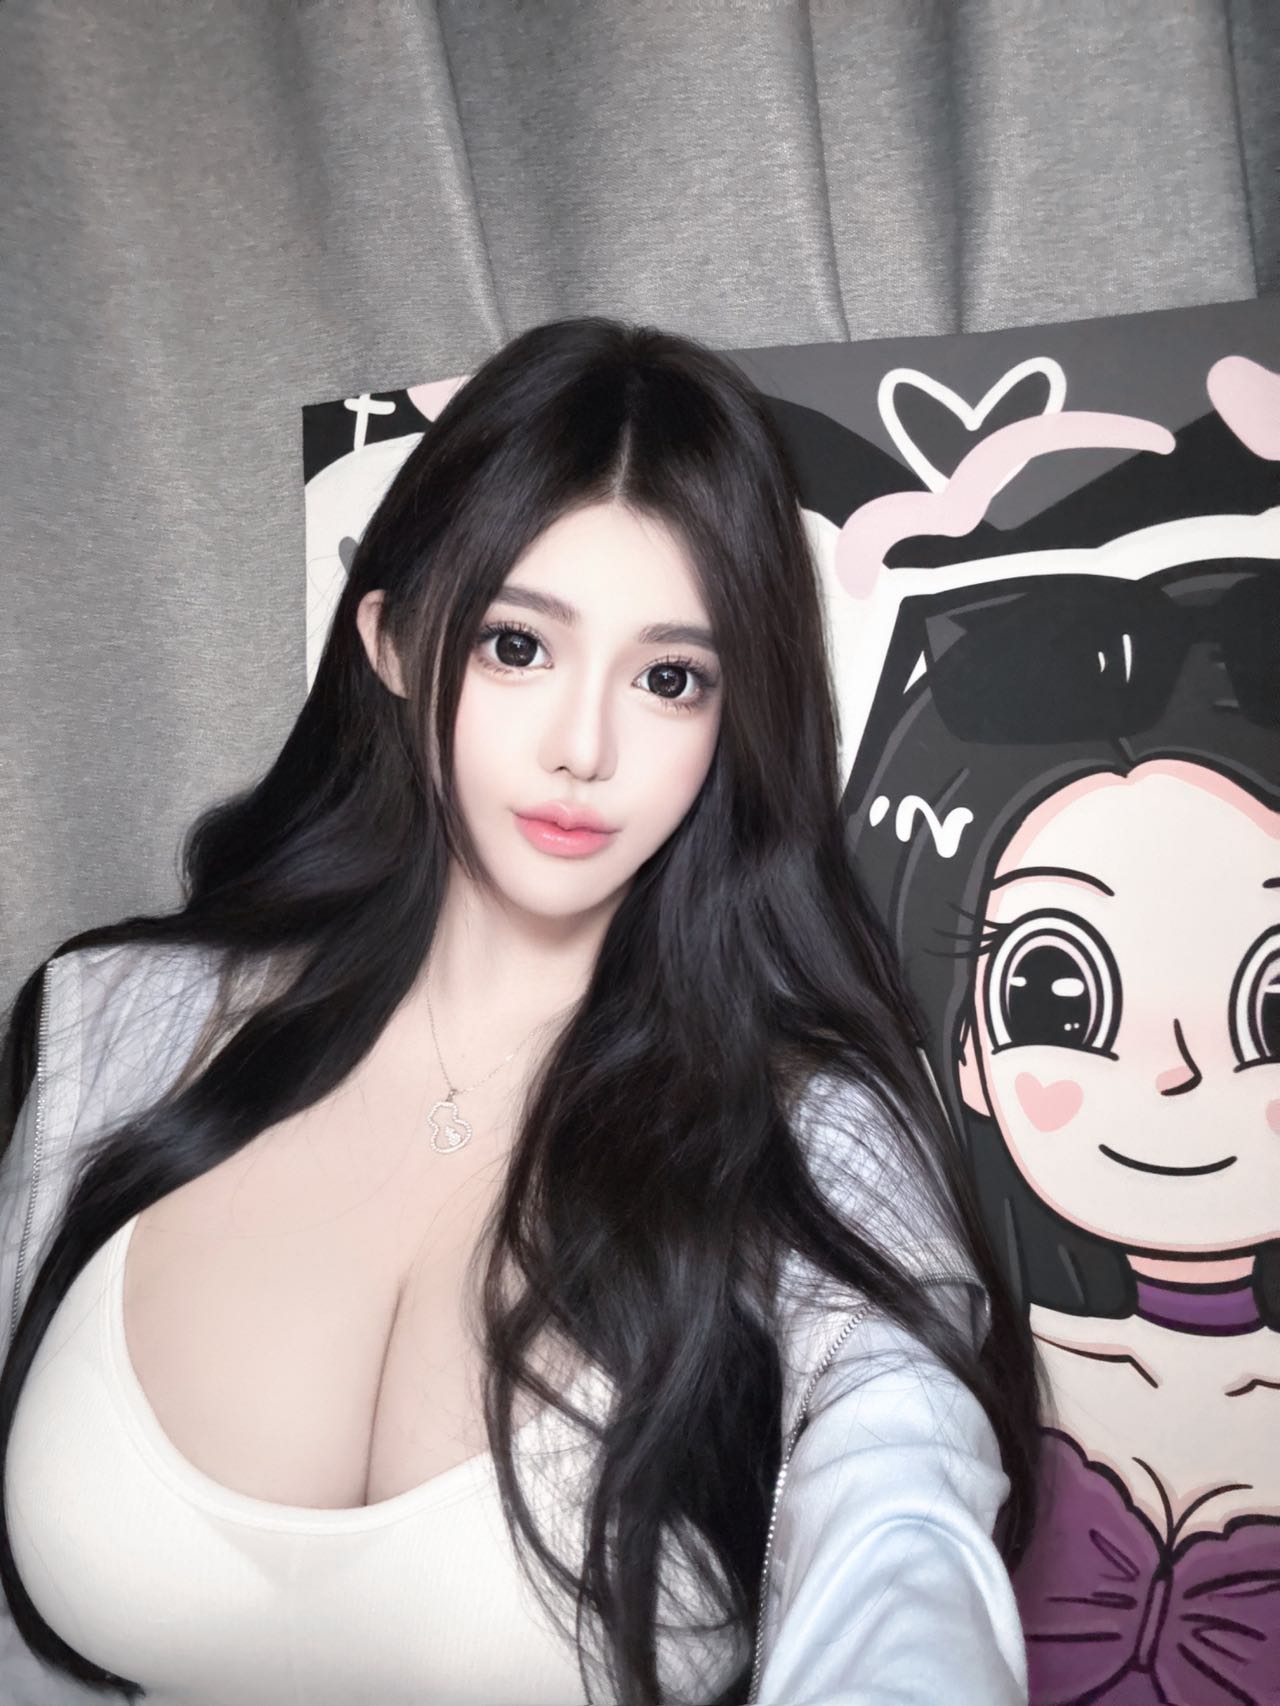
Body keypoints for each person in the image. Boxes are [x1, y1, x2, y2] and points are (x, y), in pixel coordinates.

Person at [0, 316, 1040, 1706]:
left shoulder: (813, 1133)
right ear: (391, 641)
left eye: (669, 678)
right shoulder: (114, 1032)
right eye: (516, 645)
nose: (583, 748)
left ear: (737, 716)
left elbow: (904, 1531)